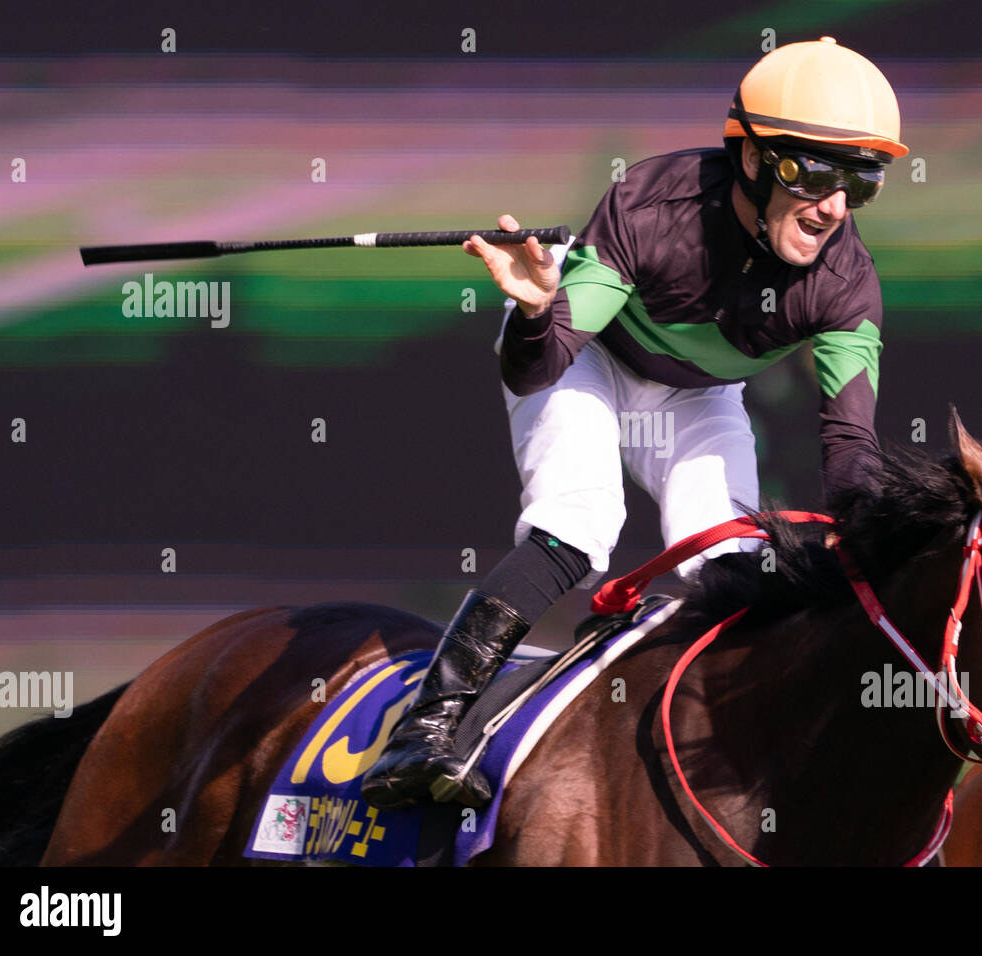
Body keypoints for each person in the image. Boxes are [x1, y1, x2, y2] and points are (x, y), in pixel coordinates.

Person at [361, 36, 909, 811]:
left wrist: (882, 540)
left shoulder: (849, 284)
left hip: (700, 396)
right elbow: (538, 367)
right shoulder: (651, 207)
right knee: (579, 525)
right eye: (813, 171)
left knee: (727, 561)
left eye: (862, 179)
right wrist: (533, 310)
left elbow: (849, 452)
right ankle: (427, 728)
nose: (833, 205)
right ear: (751, 159)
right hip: (583, 359)